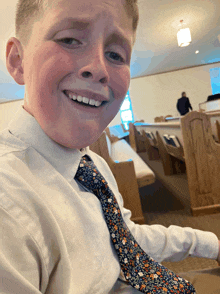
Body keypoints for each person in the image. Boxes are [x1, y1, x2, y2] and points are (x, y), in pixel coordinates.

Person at [1, 0, 220, 293]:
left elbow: (123, 239)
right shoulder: (8, 202)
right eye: (69, 39)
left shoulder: (91, 165)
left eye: (116, 55)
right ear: (18, 61)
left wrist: (209, 243)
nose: (99, 69)